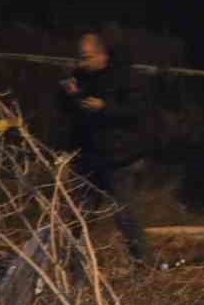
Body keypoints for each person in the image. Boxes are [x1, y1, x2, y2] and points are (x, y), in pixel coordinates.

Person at [60, 31, 150, 265]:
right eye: (80, 57)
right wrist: (70, 95)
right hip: (89, 156)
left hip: (118, 157)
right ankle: (71, 264)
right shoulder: (79, 77)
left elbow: (136, 112)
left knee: (123, 213)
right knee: (80, 214)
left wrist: (105, 107)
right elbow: (71, 113)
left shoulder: (125, 77)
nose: (82, 62)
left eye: (87, 57)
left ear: (103, 55)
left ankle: (143, 261)